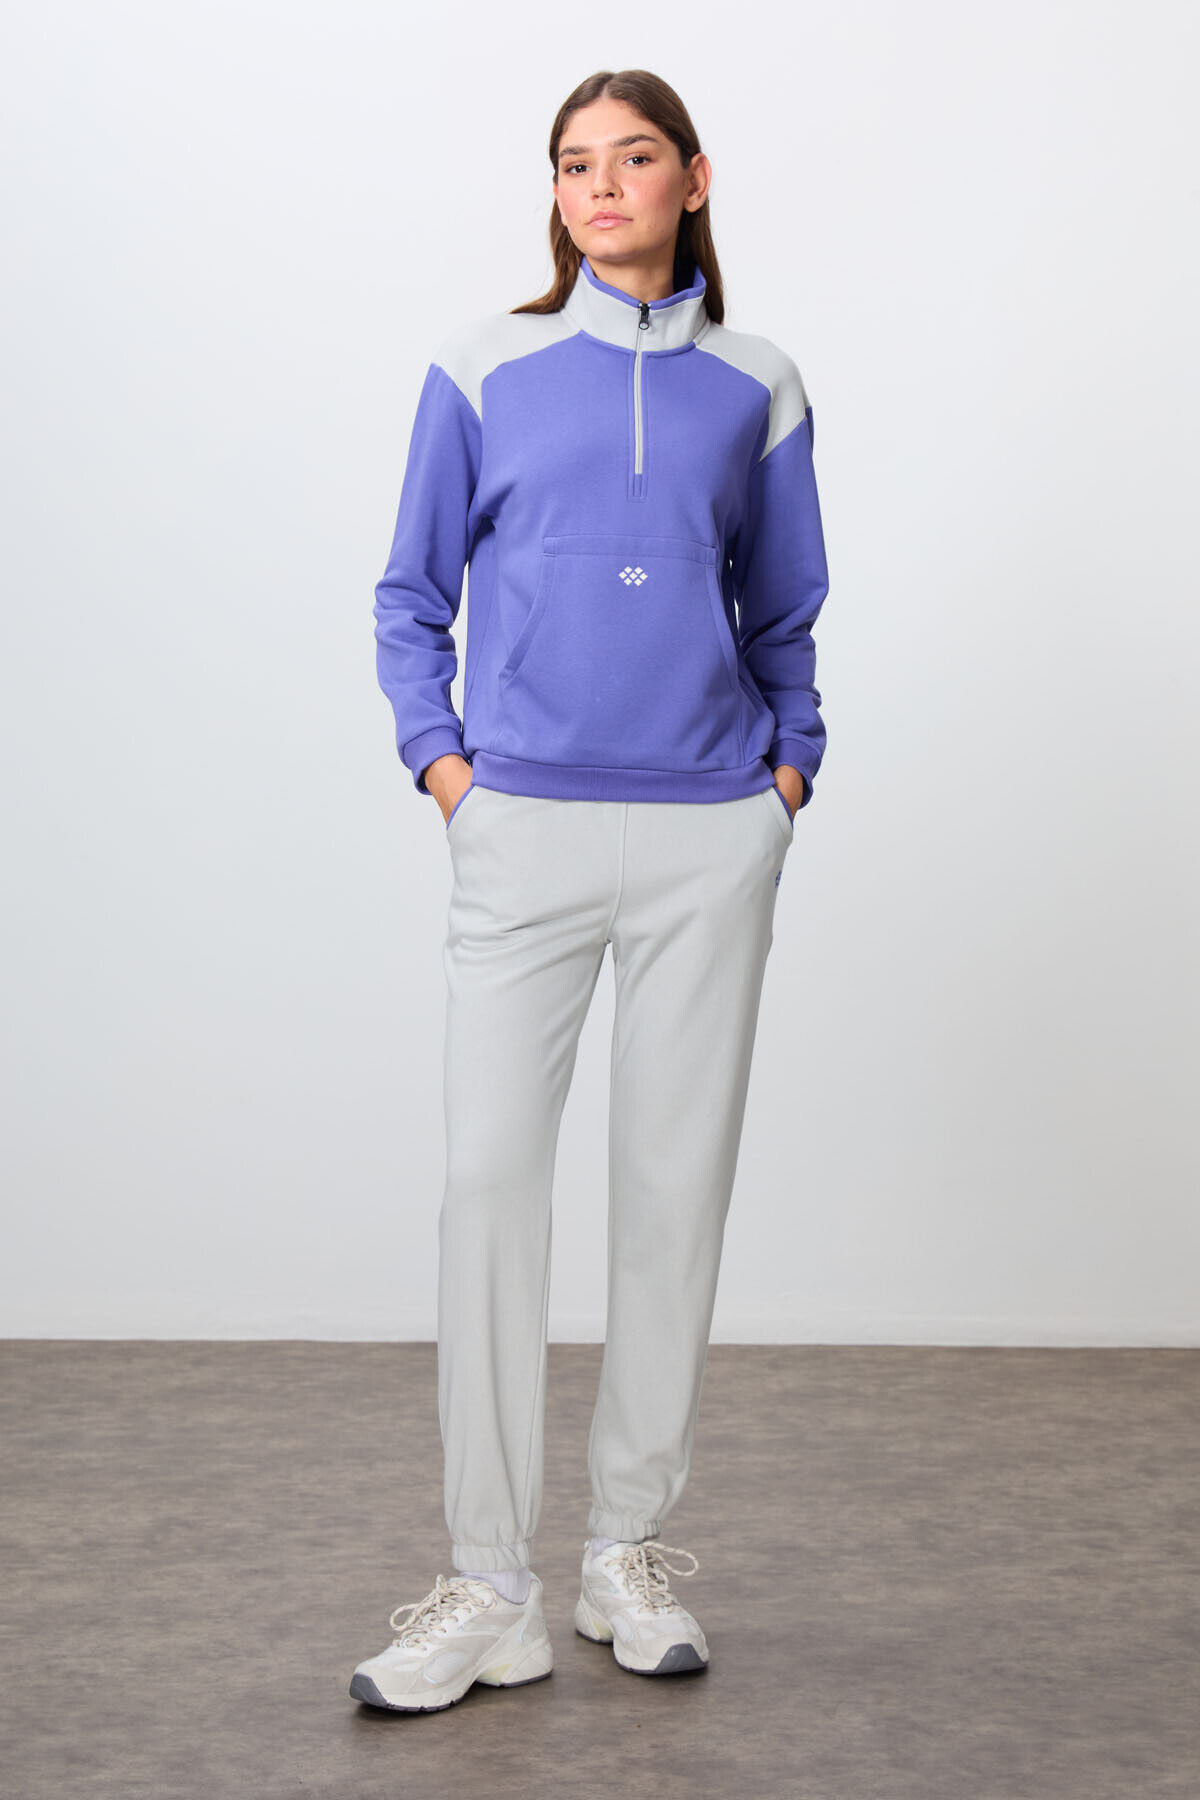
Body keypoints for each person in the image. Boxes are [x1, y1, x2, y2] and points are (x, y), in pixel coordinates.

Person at [350, 67, 830, 1713]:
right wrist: (447, 769)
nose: (601, 184)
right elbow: (410, 594)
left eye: (632, 158)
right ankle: (489, 1585)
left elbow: (785, 609)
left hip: (710, 831)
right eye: (573, 163)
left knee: (671, 1194)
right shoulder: (482, 367)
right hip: (525, 828)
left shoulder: (759, 385)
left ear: (693, 178)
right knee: (489, 1185)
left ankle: (627, 1553)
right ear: (552, 194)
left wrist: (787, 774)